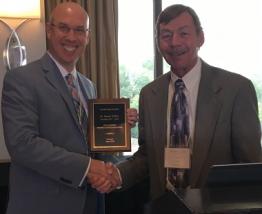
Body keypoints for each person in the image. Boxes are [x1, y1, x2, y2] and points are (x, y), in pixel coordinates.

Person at [100, 4, 262, 200]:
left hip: (217, 211)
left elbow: (251, 165)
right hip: (163, 208)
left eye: (183, 33)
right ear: (158, 42)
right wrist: (117, 174)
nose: (174, 42)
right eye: (166, 36)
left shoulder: (236, 90)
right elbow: (147, 156)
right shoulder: (149, 94)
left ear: (200, 37)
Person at [1, 2, 137, 214]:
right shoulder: (21, 79)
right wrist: (88, 167)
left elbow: (92, 147)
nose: (71, 37)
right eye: (64, 28)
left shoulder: (88, 86)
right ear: (49, 29)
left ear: (88, 36)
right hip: (43, 210)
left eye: (79, 30)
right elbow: (23, 144)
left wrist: (118, 127)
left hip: (92, 206)